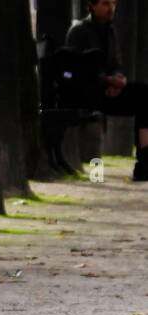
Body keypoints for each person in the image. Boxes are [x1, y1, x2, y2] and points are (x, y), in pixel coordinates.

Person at [67, 0, 148, 181]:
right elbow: (74, 70)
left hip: (107, 90)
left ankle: (145, 161)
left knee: (144, 95)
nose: (111, 8)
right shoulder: (79, 31)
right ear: (92, 5)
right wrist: (105, 81)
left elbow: (116, 63)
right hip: (86, 94)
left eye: (114, 3)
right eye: (105, 3)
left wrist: (119, 80)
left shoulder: (110, 30)